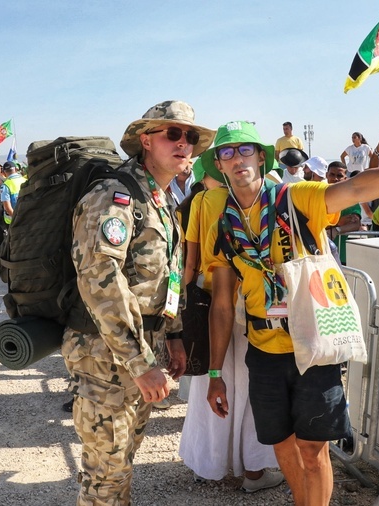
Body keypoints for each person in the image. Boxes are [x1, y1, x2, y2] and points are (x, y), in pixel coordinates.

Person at [200, 120, 379, 506]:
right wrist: (215, 374)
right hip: (264, 350)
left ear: (261, 158)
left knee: (313, 449)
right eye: (227, 153)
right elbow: (222, 304)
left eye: (245, 149)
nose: (236, 159)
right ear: (219, 164)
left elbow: (357, 188)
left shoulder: (294, 198)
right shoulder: (224, 224)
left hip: (313, 342)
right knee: (281, 445)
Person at [62, 100, 214, 506]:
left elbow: (166, 276)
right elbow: (100, 281)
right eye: (174, 133)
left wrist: (175, 338)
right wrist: (142, 363)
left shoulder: (160, 201)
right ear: (146, 140)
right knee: (106, 474)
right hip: (105, 354)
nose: (185, 143)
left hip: (142, 349)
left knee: (122, 459)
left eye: (191, 136)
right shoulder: (115, 196)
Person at [178, 158, 283, 492]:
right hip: (256, 302)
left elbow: (191, 260)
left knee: (212, 384)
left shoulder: (201, 201)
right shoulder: (259, 196)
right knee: (254, 389)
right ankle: (255, 471)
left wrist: (182, 304)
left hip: (212, 302)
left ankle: (208, 465)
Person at [325, 161, 361, 264]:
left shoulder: (351, 200)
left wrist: (337, 229)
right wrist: (338, 222)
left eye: (339, 176)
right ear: (326, 175)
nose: (335, 178)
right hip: (320, 255)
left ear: (345, 178)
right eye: (332, 174)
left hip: (341, 256)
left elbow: (356, 224)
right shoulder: (317, 196)